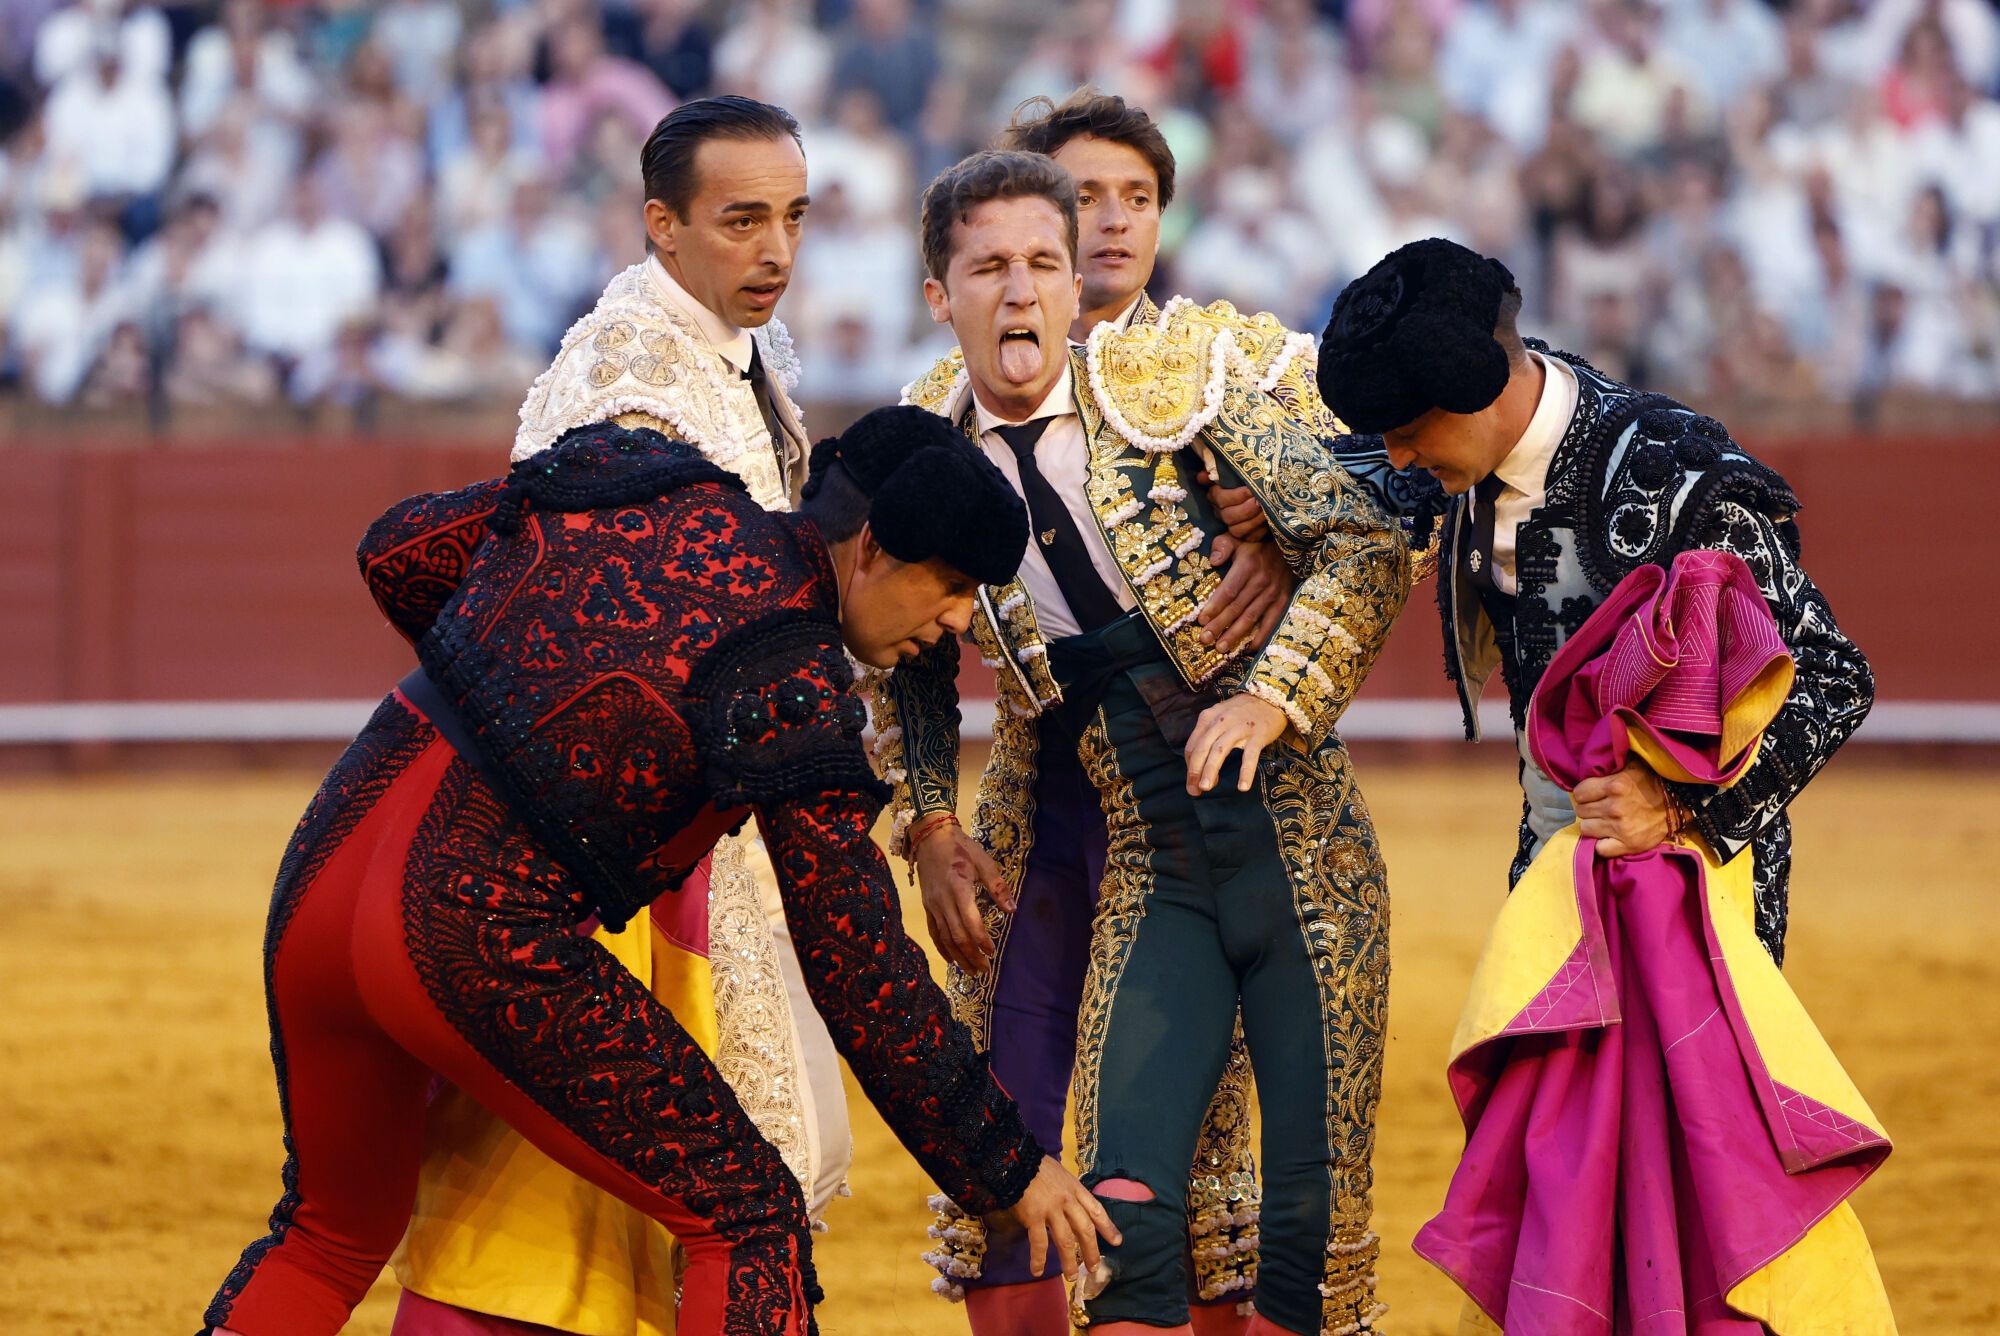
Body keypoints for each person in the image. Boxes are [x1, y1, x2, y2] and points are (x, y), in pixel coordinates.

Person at [202, 407, 1121, 1336]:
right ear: (873, 548)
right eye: (953, 585)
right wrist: (1006, 1165)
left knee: (327, 1231)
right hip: (470, 928)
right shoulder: (792, 679)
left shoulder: (649, 481)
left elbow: (399, 548)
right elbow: (861, 973)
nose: (960, 623)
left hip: (328, 861)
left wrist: (512, 680)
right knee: (751, 1220)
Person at [880, 149, 1409, 1336]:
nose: (1018, 294)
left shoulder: (1180, 387)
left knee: (1307, 1232)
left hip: (1300, 850)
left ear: (1076, 289)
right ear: (937, 295)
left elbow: (1365, 533)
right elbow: (908, 663)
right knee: (1121, 1211)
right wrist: (922, 814)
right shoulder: (921, 450)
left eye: (1041, 266)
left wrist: (1272, 694)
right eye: (988, 269)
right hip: (1145, 861)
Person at [389, 97, 851, 1336]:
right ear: (663, 225)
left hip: (686, 820)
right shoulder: (630, 382)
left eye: (793, 218)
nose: (775, 251)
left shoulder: (729, 354)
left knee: (633, 1195)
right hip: (627, 848)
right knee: (649, 1186)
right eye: (741, 220)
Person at [1318, 237, 1874, 966]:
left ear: (1479, 392)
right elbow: (1349, 469)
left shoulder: (1674, 476)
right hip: (1549, 875)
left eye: (1409, 433)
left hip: (1694, 886)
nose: (1396, 458)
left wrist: (1678, 807)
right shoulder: (1475, 436)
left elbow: (1833, 678)